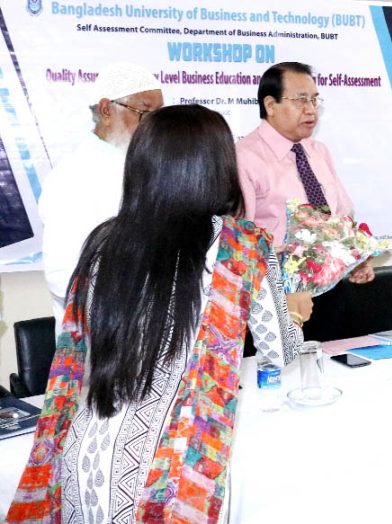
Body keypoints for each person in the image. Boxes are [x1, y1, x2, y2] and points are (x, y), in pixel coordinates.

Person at [7, 105, 305, 523]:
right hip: (171, 479)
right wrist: (292, 311)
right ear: (217, 166)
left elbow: (80, 354)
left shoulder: (104, 241)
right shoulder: (241, 245)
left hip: (79, 464)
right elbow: (282, 353)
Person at [40, 62, 164, 332]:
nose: (154, 125)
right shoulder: (72, 177)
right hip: (102, 337)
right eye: (144, 112)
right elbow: (63, 276)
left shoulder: (151, 166)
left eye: (159, 115)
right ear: (107, 110)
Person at [236, 61, 373, 284]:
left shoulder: (318, 152)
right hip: (274, 293)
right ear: (270, 105)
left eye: (314, 99)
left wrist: (356, 259)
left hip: (329, 289)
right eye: (301, 100)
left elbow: (342, 215)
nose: (310, 109)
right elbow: (239, 241)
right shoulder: (243, 159)